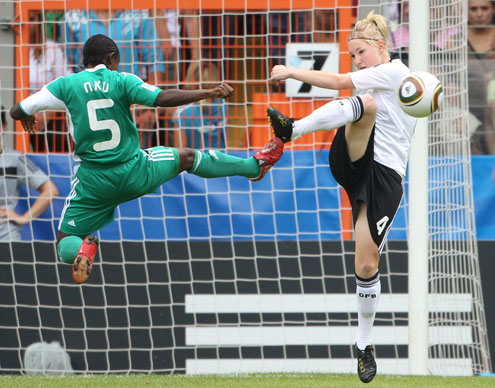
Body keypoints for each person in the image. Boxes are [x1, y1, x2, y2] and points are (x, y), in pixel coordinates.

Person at [10, 34, 283, 285]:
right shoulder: (122, 80)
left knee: (64, 242)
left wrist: (26, 116)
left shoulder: (65, 85)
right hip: (135, 170)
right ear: (113, 58)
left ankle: (83, 249)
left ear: (84, 62)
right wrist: (207, 93)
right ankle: (252, 166)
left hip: (92, 184)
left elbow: (16, 109)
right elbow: (162, 98)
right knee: (187, 157)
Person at [266, 11, 417, 383]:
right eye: (353, 55)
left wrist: (290, 71)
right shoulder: (378, 80)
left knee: (366, 265)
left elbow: (334, 79)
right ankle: (292, 129)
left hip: (385, 177)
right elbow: (339, 81)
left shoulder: (396, 73)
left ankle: (363, 345)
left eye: (360, 52)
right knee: (365, 105)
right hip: (354, 157)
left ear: (381, 47)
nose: (357, 60)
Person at [65, 9, 166, 147]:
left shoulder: (139, 15)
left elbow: (155, 60)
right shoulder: (73, 17)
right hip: (89, 105)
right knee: (91, 160)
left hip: (132, 107)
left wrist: (150, 109)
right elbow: (70, 63)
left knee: (136, 160)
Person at [0, 106, 59, 240]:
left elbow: (51, 191)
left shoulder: (15, 159)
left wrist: (24, 218)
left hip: (6, 237)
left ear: (4, 126)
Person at [29, 14, 72, 152]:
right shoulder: (11, 48)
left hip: (50, 120)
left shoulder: (52, 49)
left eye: (32, 19)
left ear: (39, 21)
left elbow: (66, 86)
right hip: (21, 115)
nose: (28, 23)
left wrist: (47, 114)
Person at [172, 62, 227, 149]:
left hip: (195, 162)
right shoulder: (224, 106)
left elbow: (180, 152)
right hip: (221, 160)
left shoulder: (182, 114)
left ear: (189, 80)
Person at [468, 0, 495, 154]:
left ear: (492, 9)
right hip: (467, 105)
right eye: (474, 9)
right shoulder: (456, 40)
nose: (479, 14)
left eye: (484, 8)